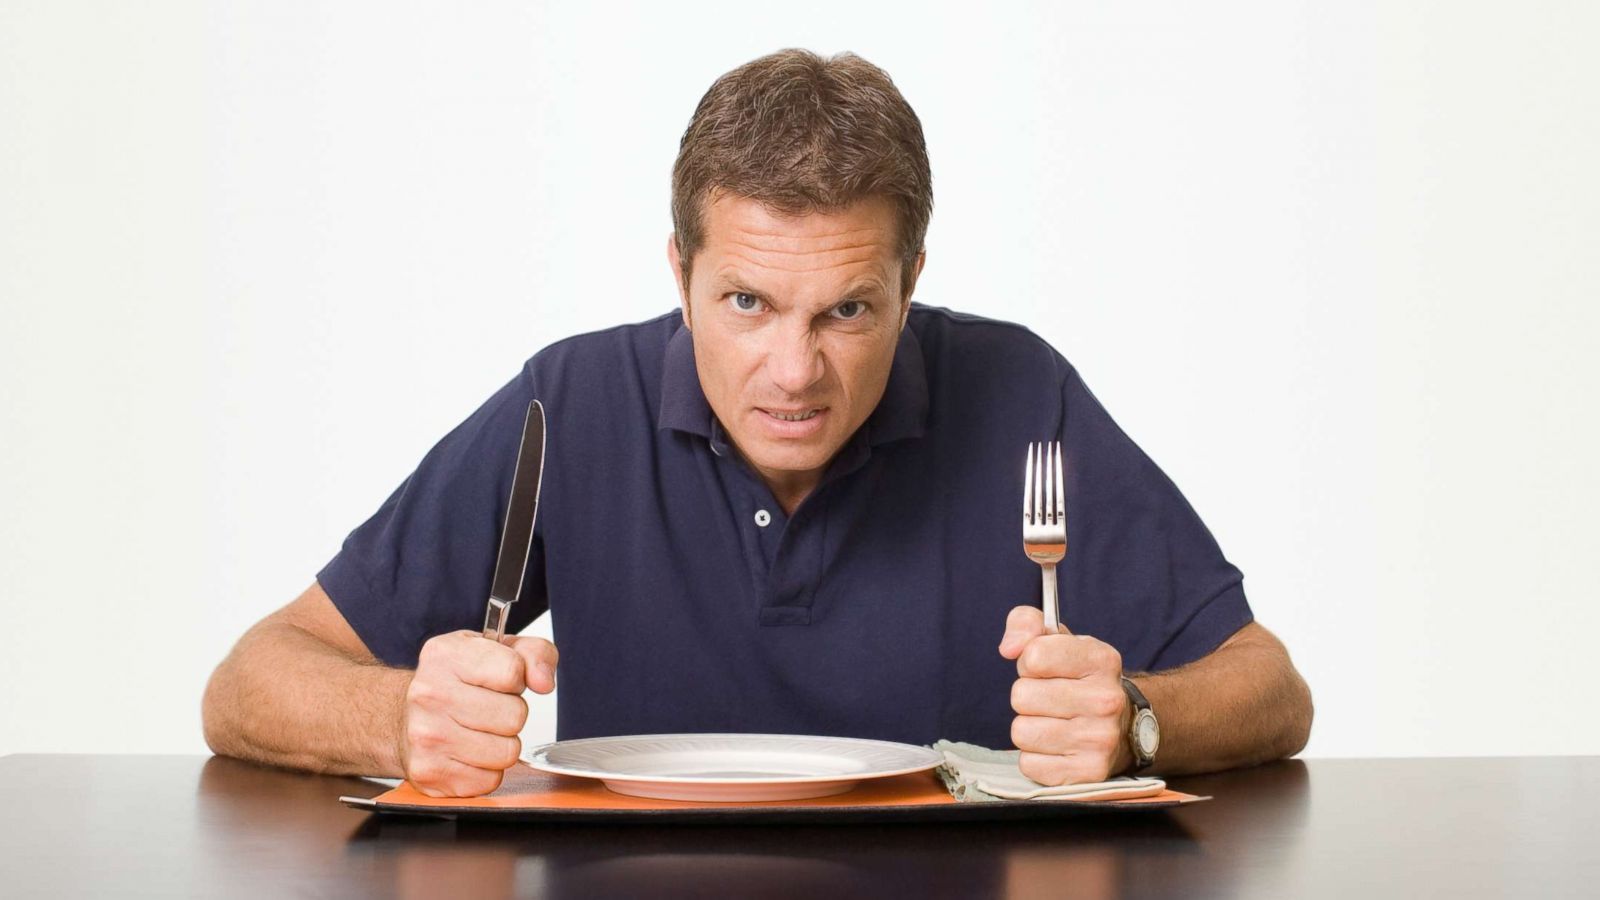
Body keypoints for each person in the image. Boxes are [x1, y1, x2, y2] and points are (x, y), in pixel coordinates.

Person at [203, 49, 1312, 798]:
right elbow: (251, 681)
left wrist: (1132, 718)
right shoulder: (574, 401)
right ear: (680, 271)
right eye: (746, 304)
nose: (795, 373)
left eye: (847, 310)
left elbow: (1269, 687)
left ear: (909, 279)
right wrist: (403, 718)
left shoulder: (1019, 391)